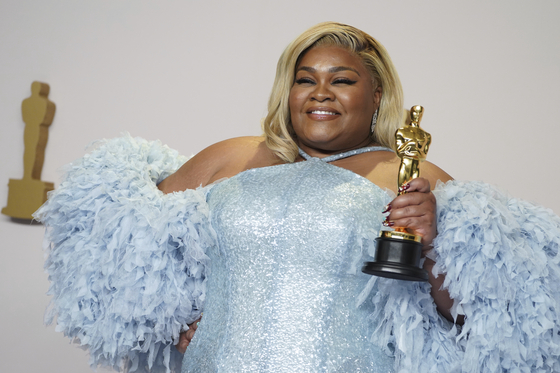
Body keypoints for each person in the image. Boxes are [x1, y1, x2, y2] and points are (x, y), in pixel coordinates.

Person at [35, 22, 560, 373]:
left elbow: (479, 320)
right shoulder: (233, 157)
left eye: (343, 80)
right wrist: (169, 319)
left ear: (376, 95)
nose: (321, 92)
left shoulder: (411, 174)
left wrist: (432, 242)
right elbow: (124, 252)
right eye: (305, 79)